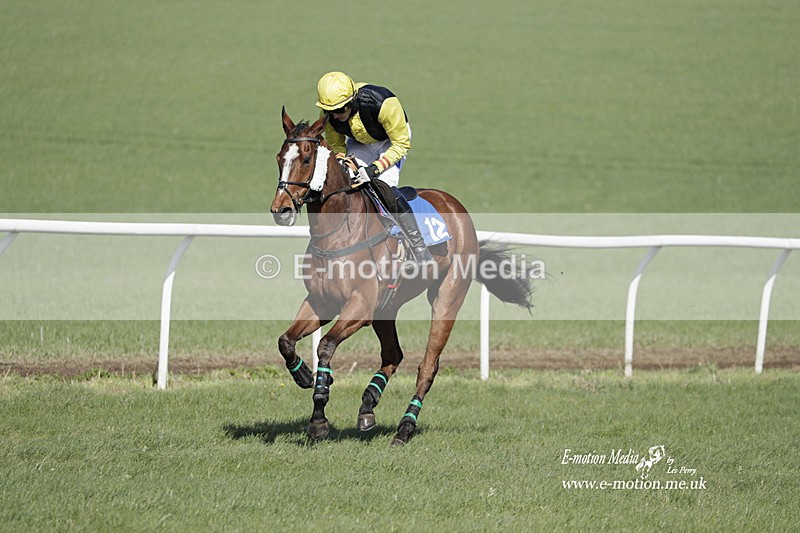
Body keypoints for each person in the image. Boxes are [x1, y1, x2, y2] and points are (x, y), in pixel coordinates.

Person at [315, 71, 434, 265]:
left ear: (352, 101)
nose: (335, 116)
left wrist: (374, 169)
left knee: (382, 185)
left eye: (340, 110)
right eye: (330, 112)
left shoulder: (383, 103)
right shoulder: (330, 115)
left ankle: (418, 245)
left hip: (391, 141)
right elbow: (337, 146)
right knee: (350, 180)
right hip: (360, 142)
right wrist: (343, 161)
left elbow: (401, 144)